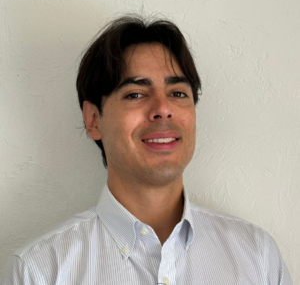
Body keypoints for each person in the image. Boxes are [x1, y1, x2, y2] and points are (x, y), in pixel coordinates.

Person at [1, 15, 292, 285]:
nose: (163, 109)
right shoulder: (40, 270)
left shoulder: (257, 256)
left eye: (177, 93)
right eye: (136, 94)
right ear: (93, 120)